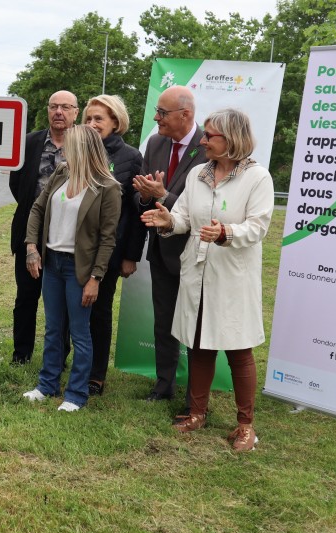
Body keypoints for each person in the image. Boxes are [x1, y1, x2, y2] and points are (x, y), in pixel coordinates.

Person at [141, 108, 273, 452]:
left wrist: (226, 232)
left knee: (238, 349)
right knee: (199, 343)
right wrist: (168, 221)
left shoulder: (257, 178)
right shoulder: (198, 173)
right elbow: (184, 217)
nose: (202, 141)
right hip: (197, 272)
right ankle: (197, 413)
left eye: (209, 135)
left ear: (231, 139)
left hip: (232, 276)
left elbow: (258, 226)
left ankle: (245, 425)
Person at [22, 125, 121, 411]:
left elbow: (107, 238)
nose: (63, 149)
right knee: (53, 329)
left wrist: (96, 278)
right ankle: (47, 385)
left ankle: (76, 394)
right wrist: (31, 247)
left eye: (69, 145)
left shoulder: (108, 187)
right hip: (52, 262)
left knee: (80, 333)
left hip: (79, 268)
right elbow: (38, 209)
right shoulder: (62, 173)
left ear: (83, 149)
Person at [133, 86, 207, 414]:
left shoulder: (209, 148)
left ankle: (196, 396)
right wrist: (146, 196)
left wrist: (163, 195)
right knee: (163, 322)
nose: (156, 118)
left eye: (162, 113)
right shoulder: (155, 143)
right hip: (162, 251)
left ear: (185, 115)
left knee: (196, 327)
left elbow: (203, 210)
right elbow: (143, 199)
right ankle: (164, 385)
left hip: (196, 254)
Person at [8, 90, 79, 364]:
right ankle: (21, 354)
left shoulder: (83, 143)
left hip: (67, 235)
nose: (58, 112)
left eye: (65, 107)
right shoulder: (29, 142)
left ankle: (59, 356)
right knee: (26, 296)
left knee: (63, 302)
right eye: (53, 106)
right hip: (30, 231)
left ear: (76, 112)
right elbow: (17, 184)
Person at [82, 95, 145, 396]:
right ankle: (70, 363)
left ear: (116, 122)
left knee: (99, 311)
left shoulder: (131, 157)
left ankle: (96, 376)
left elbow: (136, 210)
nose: (92, 124)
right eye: (88, 118)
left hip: (109, 250)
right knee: (70, 309)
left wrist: (131, 255)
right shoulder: (77, 150)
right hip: (73, 248)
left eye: (99, 119)